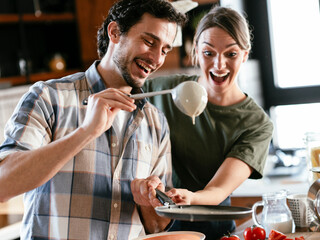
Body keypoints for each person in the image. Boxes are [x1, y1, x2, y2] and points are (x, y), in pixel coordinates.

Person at [0, 0, 186, 239]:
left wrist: (147, 201)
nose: (156, 58)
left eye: (164, 50)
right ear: (115, 32)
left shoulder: (155, 121)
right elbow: (4, 185)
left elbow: (157, 227)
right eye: (149, 42)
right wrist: (86, 131)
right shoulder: (49, 98)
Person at [143, 6, 274, 239]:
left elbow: (218, 189)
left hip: (214, 229)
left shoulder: (256, 123)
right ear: (195, 51)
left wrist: (191, 198)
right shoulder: (162, 90)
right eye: (208, 53)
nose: (219, 64)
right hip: (154, 228)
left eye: (231, 54)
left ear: (245, 54)